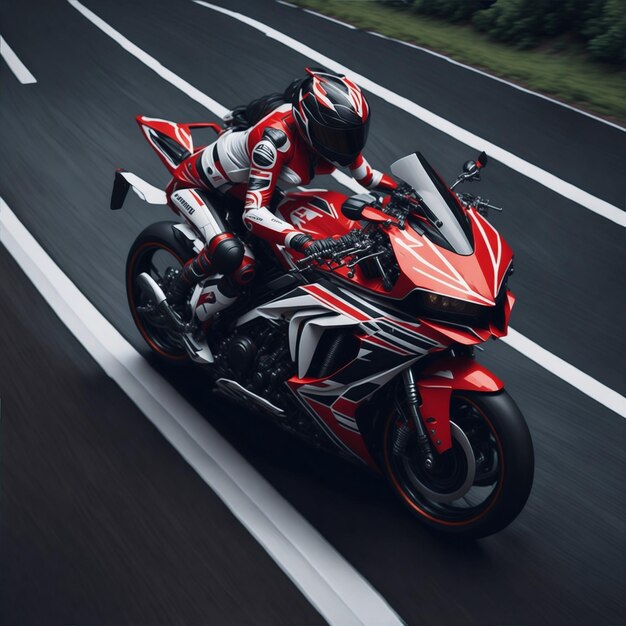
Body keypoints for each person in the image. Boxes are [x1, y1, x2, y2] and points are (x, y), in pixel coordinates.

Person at [166, 67, 397, 326]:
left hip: (245, 188)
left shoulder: (337, 137)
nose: (349, 144)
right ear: (310, 123)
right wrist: (304, 242)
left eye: (353, 135)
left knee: (285, 251)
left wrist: (404, 193)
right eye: (341, 137)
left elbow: (367, 176)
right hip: (198, 185)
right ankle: (182, 311)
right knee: (237, 259)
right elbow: (253, 213)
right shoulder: (273, 143)